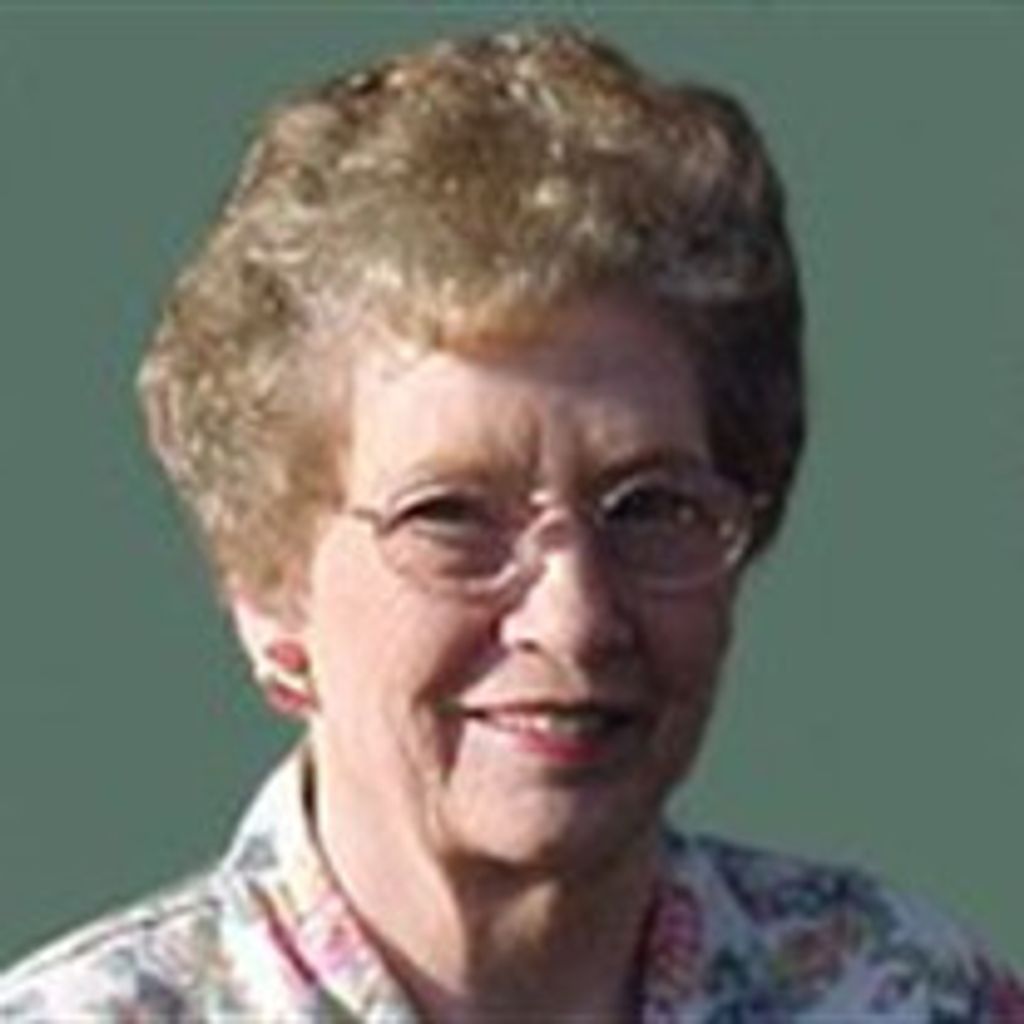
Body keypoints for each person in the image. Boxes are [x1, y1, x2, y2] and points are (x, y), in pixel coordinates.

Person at [1, 24, 1020, 1023]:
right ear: (269, 589)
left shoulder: (909, 992)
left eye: (652, 506)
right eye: (450, 516)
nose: (574, 619)